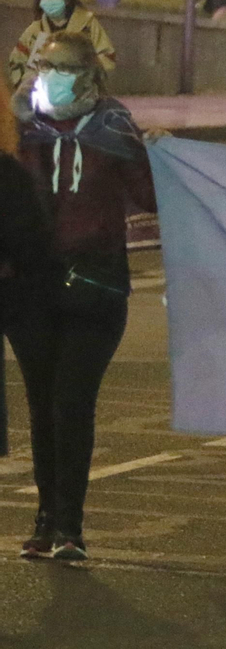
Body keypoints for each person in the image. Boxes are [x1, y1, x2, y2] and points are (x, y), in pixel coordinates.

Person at [6, 32, 160, 560]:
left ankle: (70, 524)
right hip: (32, 292)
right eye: (44, 67)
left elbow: (151, 197)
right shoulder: (20, 131)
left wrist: (159, 154)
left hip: (95, 287)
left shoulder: (113, 128)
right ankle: (46, 519)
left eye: (64, 68)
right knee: (42, 406)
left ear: (91, 76)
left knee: (72, 402)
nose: (51, 77)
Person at [9, 0, 117, 89]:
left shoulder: (87, 25)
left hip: (81, 93)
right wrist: (31, 82)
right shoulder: (35, 30)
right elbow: (17, 61)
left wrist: (83, 78)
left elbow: (107, 57)